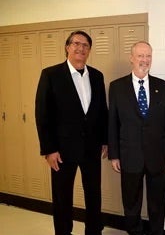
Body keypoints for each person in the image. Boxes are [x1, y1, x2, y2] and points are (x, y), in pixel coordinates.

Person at [35, 30, 108, 235]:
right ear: (67, 47)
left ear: (89, 50)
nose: (80, 48)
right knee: (62, 197)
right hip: (62, 150)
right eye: (76, 43)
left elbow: (102, 110)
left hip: (92, 147)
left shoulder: (96, 75)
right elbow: (42, 114)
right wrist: (49, 149)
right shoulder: (51, 75)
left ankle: (94, 231)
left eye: (85, 45)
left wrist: (104, 140)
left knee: (94, 195)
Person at [108, 41, 165, 235]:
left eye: (148, 56)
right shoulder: (116, 87)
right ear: (131, 58)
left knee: (157, 202)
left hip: (158, 156)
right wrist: (114, 155)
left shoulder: (163, 87)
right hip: (129, 156)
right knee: (131, 204)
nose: (144, 60)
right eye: (140, 56)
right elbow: (112, 124)